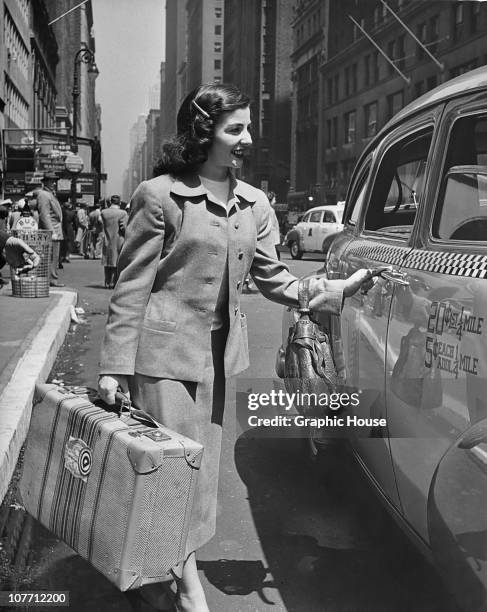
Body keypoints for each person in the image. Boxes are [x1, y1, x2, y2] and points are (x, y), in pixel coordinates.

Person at [97, 83, 375, 612]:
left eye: (248, 127)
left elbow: (275, 278)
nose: (247, 138)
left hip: (221, 361)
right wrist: (114, 367)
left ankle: (167, 574)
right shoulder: (160, 196)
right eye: (235, 129)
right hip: (162, 359)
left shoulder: (254, 203)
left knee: (199, 479)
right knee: (171, 473)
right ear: (205, 133)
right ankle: (186, 586)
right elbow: (131, 287)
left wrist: (329, 291)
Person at [36, 172, 64, 287]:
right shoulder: (43, 195)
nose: (53, 183)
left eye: (54, 181)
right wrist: (51, 231)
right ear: (45, 182)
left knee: (54, 256)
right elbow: (44, 215)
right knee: (50, 256)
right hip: (51, 232)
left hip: (55, 230)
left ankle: (51, 278)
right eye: (50, 181)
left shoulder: (50, 194)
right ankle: (50, 279)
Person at [100, 194, 128, 288]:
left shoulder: (104, 212)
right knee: (116, 262)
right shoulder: (123, 213)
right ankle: (113, 282)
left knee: (107, 261)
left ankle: (107, 282)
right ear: (119, 202)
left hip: (107, 239)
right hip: (118, 239)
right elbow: (123, 227)